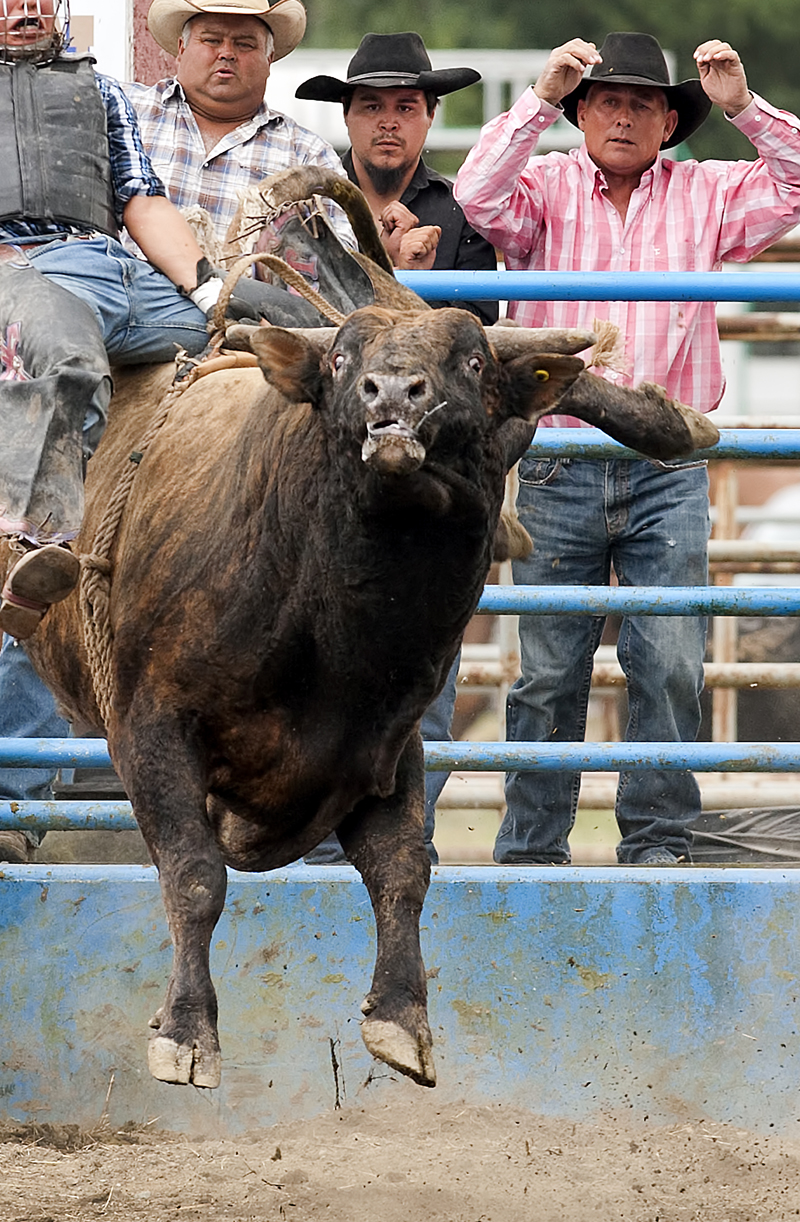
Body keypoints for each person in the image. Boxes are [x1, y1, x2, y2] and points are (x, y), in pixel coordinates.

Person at [454, 32, 800, 865]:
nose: (622, 116)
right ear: (581, 114)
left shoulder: (706, 193)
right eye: (606, 100)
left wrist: (743, 107)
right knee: (547, 671)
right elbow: (475, 193)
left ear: (669, 122)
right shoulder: (545, 186)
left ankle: (657, 843)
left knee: (671, 661)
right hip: (560, 455)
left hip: (665, 463)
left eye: (643, 104)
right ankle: (533, 850)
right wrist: (540, 96)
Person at [0, 0, 327, 862]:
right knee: (68, 359)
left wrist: (213, 291)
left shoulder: (101, 92)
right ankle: (36, 538)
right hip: (18, 268)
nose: (24, 8)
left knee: (280, 334)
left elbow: (140, 200)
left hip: (109, 262)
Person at [297, 32, 499, 861]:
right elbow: (293, 313)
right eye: (372, 106)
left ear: (428, 118)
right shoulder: (312, 210)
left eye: (406, 107)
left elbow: (480, 347)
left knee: (425, 662)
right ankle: (315, 837)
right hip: (323, 479)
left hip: (430, 484)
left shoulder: (462, 215)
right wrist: (382, 263)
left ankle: (405, 837)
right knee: (314, 651)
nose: (389, 122)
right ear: (347, 119)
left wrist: (412, 289)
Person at [126, 0, 354, 250]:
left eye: (244, 44)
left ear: (269, 59)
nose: (226, 53)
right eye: (211, 40)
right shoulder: (127, 110)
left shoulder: (308, 156)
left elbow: (341, 258)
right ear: (182, 49)